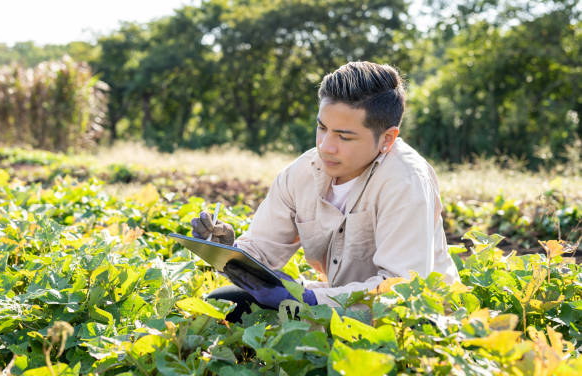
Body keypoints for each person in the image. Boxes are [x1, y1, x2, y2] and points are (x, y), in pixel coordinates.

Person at [192, 61, 460, 322]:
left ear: (387, 139)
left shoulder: (405, 180)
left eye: (344, 137)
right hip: (337, 302)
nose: (326, 147)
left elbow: (401, 290)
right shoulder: (303, 172)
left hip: (413, 313)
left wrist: (308, 300)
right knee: (224, 301)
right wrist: (226, 251)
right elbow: (262, 253)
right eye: (322, 128)